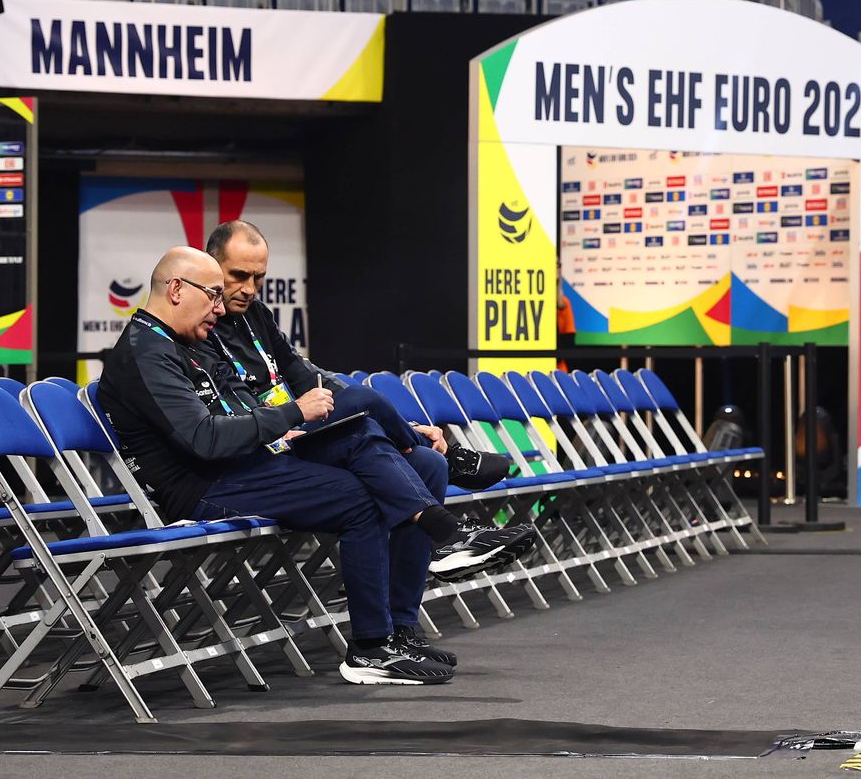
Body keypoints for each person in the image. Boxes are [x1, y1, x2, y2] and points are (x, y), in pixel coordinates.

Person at [98, 247, 534, 686]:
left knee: (401, 454)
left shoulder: (186, 342)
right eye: (213, 293)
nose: (219, 306)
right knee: (360, 495)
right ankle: (371, 646)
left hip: (247, 460)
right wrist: (290, 416)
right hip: (204, 485)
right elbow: (204, 439)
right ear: (176, 289)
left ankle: (414, 602)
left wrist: (280, 428)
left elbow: (240, 404)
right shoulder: (146, 352)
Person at [202, 220, 508, 494]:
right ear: (211, 267)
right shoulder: (196, 327)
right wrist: (288, 418)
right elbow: (227, 406)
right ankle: (435, 450)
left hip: (299, 431)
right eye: (239, 276)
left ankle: (434, 548)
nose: (249, 289)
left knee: (428, 464)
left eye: (258, 278)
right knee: (364, 401)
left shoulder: (256, 314)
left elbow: (301, 372)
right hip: (268, 442)